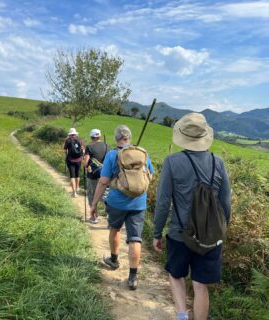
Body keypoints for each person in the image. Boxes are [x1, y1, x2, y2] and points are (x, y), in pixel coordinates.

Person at [153, 113, 231, 320]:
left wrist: (157, 232)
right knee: (200, 284)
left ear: (182, 136)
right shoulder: (218, 162)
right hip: (210, 237)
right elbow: (225, 203)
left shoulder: (172, 162)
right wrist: (221, 230)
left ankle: (181, 316)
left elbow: (162, 202)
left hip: (180, 234)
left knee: (176, 275)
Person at [91, 125, 154, 290]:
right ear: (129, 137)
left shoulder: (112, 155)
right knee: (135, 238)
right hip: (139, 203)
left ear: (116, 138)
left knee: (115, 229)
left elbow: (103, 181)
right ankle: (133, 278)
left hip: (117, 202)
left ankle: (114, 260)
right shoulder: (143, 153)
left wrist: (94, 203)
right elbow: (150, 176)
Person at [82, 129, 109, 224]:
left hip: (93, 175)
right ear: (100, 136)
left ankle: (94, 217)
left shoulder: (89, 146)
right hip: (105, 175)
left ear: (91, 137)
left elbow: (85, 163)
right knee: (105, 195)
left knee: (92, 195)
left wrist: (83, 161)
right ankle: (110, 215)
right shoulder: (107, 146)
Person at [63, 128, 83, 197]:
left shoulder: (67, 141)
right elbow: (82, 150)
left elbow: (65, 150)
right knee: (77, 175)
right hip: (78, 160)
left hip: (70, 160)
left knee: (72, 176)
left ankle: (74, 192)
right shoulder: (79, 140)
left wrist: (67, 156)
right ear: (75, 134)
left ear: (69, 134)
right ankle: (77, 189)